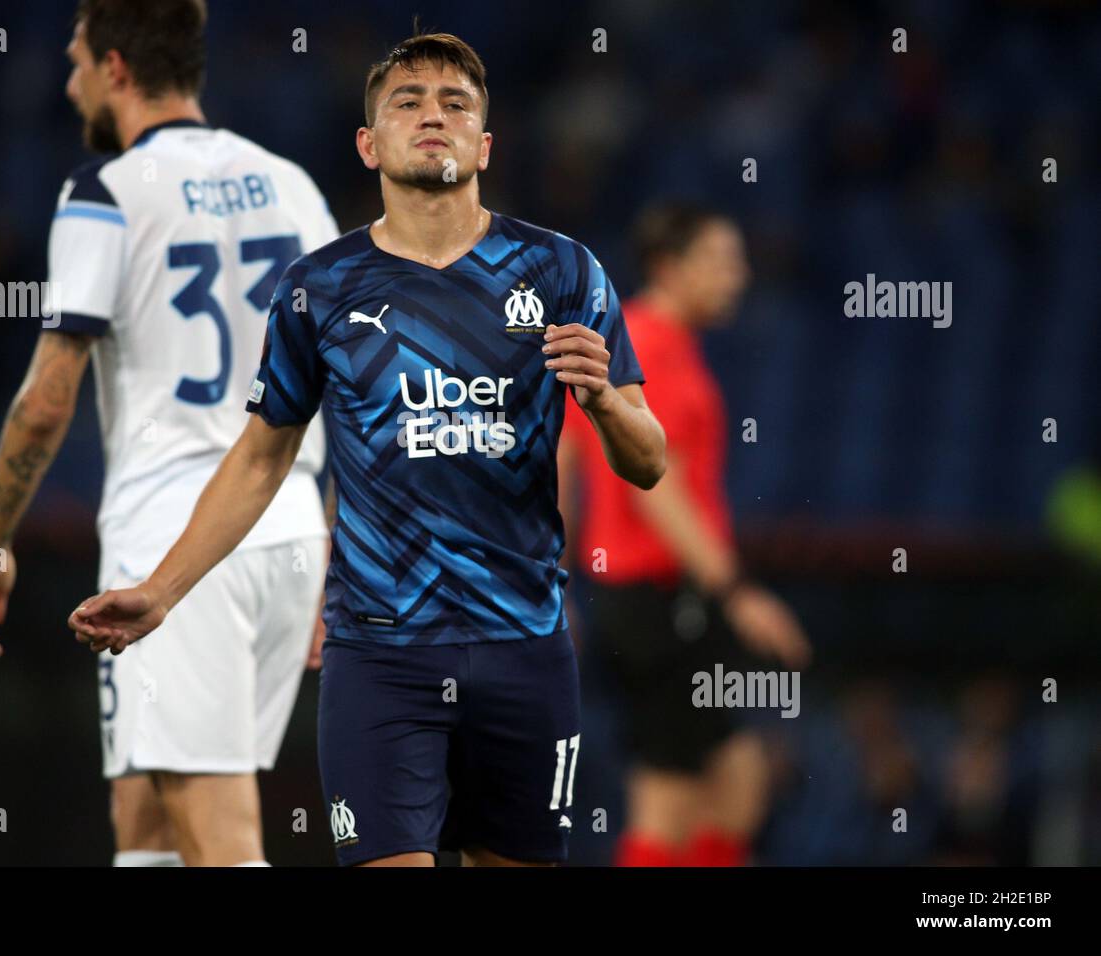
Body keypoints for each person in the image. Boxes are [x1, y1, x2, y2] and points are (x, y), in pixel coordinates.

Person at [68, 30, 667, 867]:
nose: (434, 116)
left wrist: (604, 401)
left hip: (522, 650)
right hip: (380, 658)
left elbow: (649, 460)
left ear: (485, 144)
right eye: (408, 102)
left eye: (456, 103)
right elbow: (259, 458)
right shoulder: (320, 289)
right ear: (369, 141)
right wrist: (164, 591)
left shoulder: (561, 271)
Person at [0, 0, 336, 866]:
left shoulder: (105, 194)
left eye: (79, 60)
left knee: (222, 845)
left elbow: (47, 398)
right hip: (285, 534)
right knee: (148, 823)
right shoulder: (294, 186)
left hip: (176, 545)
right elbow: (350, 389)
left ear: (117, 69)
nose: (69, 80)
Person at [559, 202, 811, 867]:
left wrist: (553, 576)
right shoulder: (651, 347)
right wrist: (736, 591)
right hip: (664, 597)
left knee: (732, 781)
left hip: (644, 599)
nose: (739, 276)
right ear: (670, 268)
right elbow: (657, 490)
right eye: (721, 261)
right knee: (668, 799)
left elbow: (563, 466)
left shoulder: (616, 341)